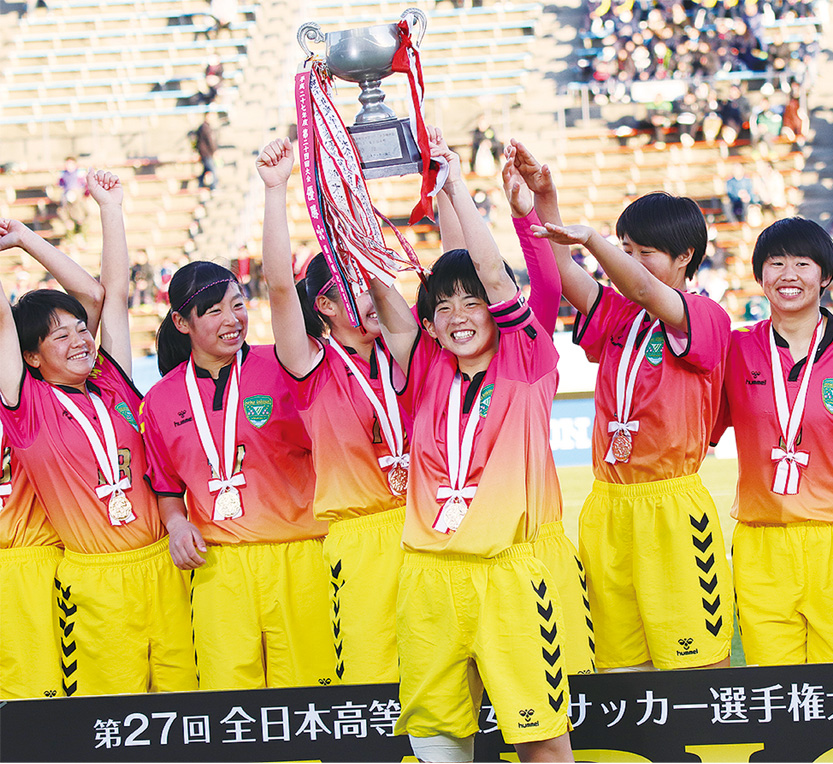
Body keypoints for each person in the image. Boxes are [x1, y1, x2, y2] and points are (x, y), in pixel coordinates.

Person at [373, 129, 572, 762]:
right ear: (429, 324)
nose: (460, 315)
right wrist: (342, 199)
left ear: (497, 309)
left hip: (506, 573)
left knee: (538, 734)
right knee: (438, 736)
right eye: (445, 307)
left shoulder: (525, 358)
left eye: (474, 304)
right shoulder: (426, 367)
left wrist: (456, 184)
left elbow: (486, 267)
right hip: (427, 574)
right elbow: (388, 293)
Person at [530, 153, 735, 672]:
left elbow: (644, 287)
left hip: (671, 506)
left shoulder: (705, 315)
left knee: (692, 664)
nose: (632, 262)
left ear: (685, 256)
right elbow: (564, 275)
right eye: (625, 250)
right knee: (621, 664)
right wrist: (543, 200)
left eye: (646, 251)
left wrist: (595, 242)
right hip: (608, 503)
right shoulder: (621, 314)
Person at [0, 171, 195, 696]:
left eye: (81, 330)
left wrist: (110, 208)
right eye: (61, 337)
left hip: (164, 565)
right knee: (111, 718)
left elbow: (102, 295)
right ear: (32, 357)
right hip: (94, 579)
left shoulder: (114, 381)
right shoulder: (27, 405)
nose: (81, 340)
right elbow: (3, 321)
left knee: (184, 707)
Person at [255, 137, 412, 684]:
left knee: (443, 670)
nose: (370, 296)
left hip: (428, 525)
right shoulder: (312, 365)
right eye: (353, 288)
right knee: (375, 677)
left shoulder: (410, 350)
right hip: (360, 538)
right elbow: (278, 288)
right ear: (323, 305)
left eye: (372, 283)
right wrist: (277, 191)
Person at [140, 259, 335, 690]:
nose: (232, 320)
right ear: (181, 322)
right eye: (213, 311)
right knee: (230, 705)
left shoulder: (285, 368)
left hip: (300, 556)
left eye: (238, 305)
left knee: (309, 698)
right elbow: (166, 484)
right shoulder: (159, 400)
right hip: (218, 566)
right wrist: (175, 523)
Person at [712, 218, 833, 665]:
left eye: (802, 263)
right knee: (775, 697)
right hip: (761, 544)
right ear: (760, 276)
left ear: (826, 276)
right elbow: (701, 431)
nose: (788, 275)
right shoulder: (733, 351)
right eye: (776, 263)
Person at [501, 140, 596, 676]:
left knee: (571, 691)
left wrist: (525, 216)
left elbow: (548, 284)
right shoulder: (439, 365)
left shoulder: (528, 355)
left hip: (540, 545)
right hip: (470, 554)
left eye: (486, 300)